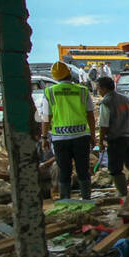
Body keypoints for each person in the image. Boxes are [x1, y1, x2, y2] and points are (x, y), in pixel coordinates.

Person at [41, 61, 95, 200]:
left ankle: (65, 200)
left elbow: (46, 117)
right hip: (82, 136)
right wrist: (93, 136)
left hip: (60, 138)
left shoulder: (50, 92)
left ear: (55, 77)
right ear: (70, 73)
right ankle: (86, 199)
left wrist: (44, 138)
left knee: (64, 172)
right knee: (83, 170)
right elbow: (90, 115)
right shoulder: (82, 91)